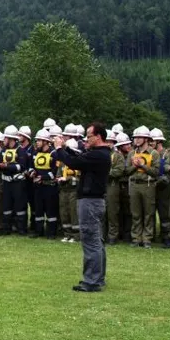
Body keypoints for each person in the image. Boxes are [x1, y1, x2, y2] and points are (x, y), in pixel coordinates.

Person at [53, 122, 112, 293]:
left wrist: (58, 150)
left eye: (89, 136)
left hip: (90, 201)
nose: (87, 139)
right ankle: (97, 278)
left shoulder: (98, 155)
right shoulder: (99, 154)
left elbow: (74, 163)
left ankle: (91, 281)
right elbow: (80, 156)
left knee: (90, 241)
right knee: (97, 241)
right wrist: (66, 147)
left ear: (99, 136)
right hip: (95, 201)